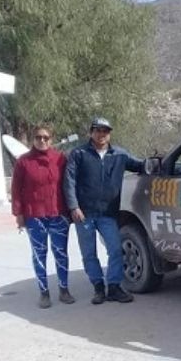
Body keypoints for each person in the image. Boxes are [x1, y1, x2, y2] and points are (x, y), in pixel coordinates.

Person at [63, 117, 143, 305]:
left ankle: (114, 287)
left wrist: (160, 163)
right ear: (91, 132)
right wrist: (74, 206)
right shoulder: (79, 154)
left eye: (105, 131)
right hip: (84, 214)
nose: (101, 134)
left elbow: (140, 165)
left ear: (109, 134)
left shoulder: (119, 154)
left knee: (115, 250)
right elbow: (69, 181)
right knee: (89, 254)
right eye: (98, 130)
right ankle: (98, 288)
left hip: (108, 213)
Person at [11, 124, 75, 308]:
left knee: (61, 253)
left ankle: (64, 290)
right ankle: (44, 293)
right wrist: (18, 213)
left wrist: (72, 209)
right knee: (39, 254)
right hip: (34, 216)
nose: (42, 140)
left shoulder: (60, 159)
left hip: (58, 214)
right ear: (33, 139)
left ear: (51, 140)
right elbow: (16, 189)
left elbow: (69, 184)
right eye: (38, 137)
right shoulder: (23, 162)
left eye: (46, 137)